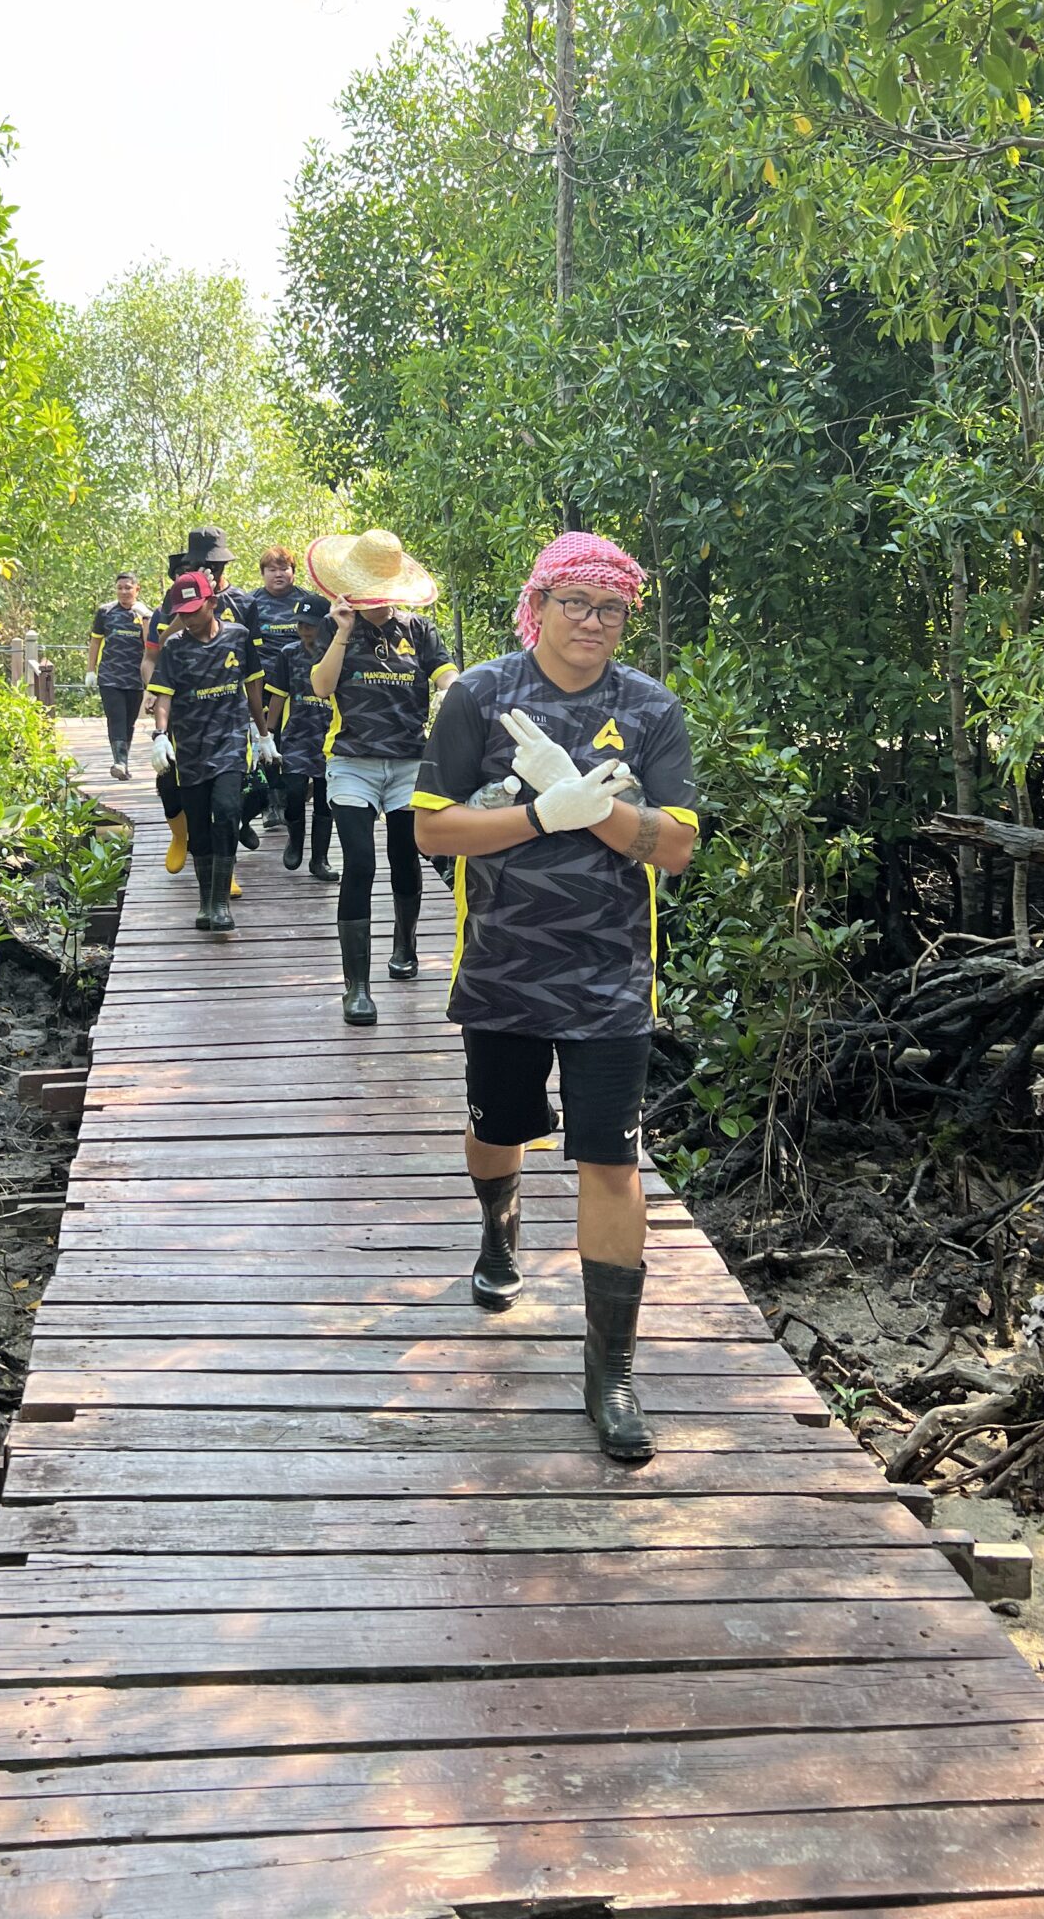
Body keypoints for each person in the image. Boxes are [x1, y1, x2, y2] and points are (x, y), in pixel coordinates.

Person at [412, 532, 698, 1466]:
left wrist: (592, 806)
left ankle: (610, 1374)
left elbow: (675, 846)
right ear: (538, 605)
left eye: (611, 608)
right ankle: (498, 1232)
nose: (593, 622)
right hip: (502, 969)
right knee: (499, 1129)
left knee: (611, 1160)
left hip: (612, 977)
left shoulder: (649, 708)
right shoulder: (480, 696)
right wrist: (539, 814)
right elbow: (432, 833)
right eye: (575, 602)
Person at [307, 527, 457, 1026]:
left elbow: (446, 673)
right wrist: (343, 632)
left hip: (409, 763)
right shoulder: (334, 626)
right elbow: (321, 686)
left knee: (404, 856)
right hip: (352, 761)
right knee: (360, 864)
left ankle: (405, 945)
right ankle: (357, 987)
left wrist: (454, 690)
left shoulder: (418, 630)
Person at [146, 567, 272, 933]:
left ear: (212, 603)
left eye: (194, 610)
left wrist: (263, 734)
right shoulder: (175, 647)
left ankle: (220, 903)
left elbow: (253, 688)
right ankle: (205, 903)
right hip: (190, 746)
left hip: (230, 740)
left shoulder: (239, 637)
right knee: (198, 824)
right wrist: (160, 735)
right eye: (181, 613)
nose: (188, 618)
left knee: (228, 810)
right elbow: (164, 695)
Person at [142, 529, 242, 881]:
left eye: (214, 564)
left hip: (227, 714)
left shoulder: (240, 603)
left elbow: (248, 656)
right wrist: (151, 690)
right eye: (198, 564)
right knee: (171, 782)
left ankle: (226, 868)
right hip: (181, 708)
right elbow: (154, 654)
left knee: (229, 798)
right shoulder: (169, 607)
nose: (207, 569)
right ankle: (180, 834)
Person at [237, 546, 320, 828]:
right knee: (267, 739)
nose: (278, 574)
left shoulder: (306, 602)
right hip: (261, 685)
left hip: (301, 685)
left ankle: (293, 795)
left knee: (292, 742)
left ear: (293, 572)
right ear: (262, 573)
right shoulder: (250, 603)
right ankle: (272, 803)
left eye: (284, 568)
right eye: (271, 570)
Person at [264, 595, 338, 880]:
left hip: (329, 737)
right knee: (294, 793)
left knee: (324, 800)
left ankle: (320, 859)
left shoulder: (337, 653)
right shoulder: (289, 654)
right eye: (300, 624)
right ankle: (295, 840)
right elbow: (278, 694)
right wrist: (268, 734)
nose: (304, 629)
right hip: (296, 735)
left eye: (310, 624)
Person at [85, 572, 149, 780]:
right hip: (110, 676)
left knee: (129, 721)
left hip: (135, 677)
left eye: (128, 587)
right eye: (120, 588)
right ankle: (119, 762)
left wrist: (146, 618)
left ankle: (124, 762)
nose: (123, 592)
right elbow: (95, 641)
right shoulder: (105, 612)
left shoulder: (144, 614)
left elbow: (150, 645)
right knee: (117, 718)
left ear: (137, 589)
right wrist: (90, 670)